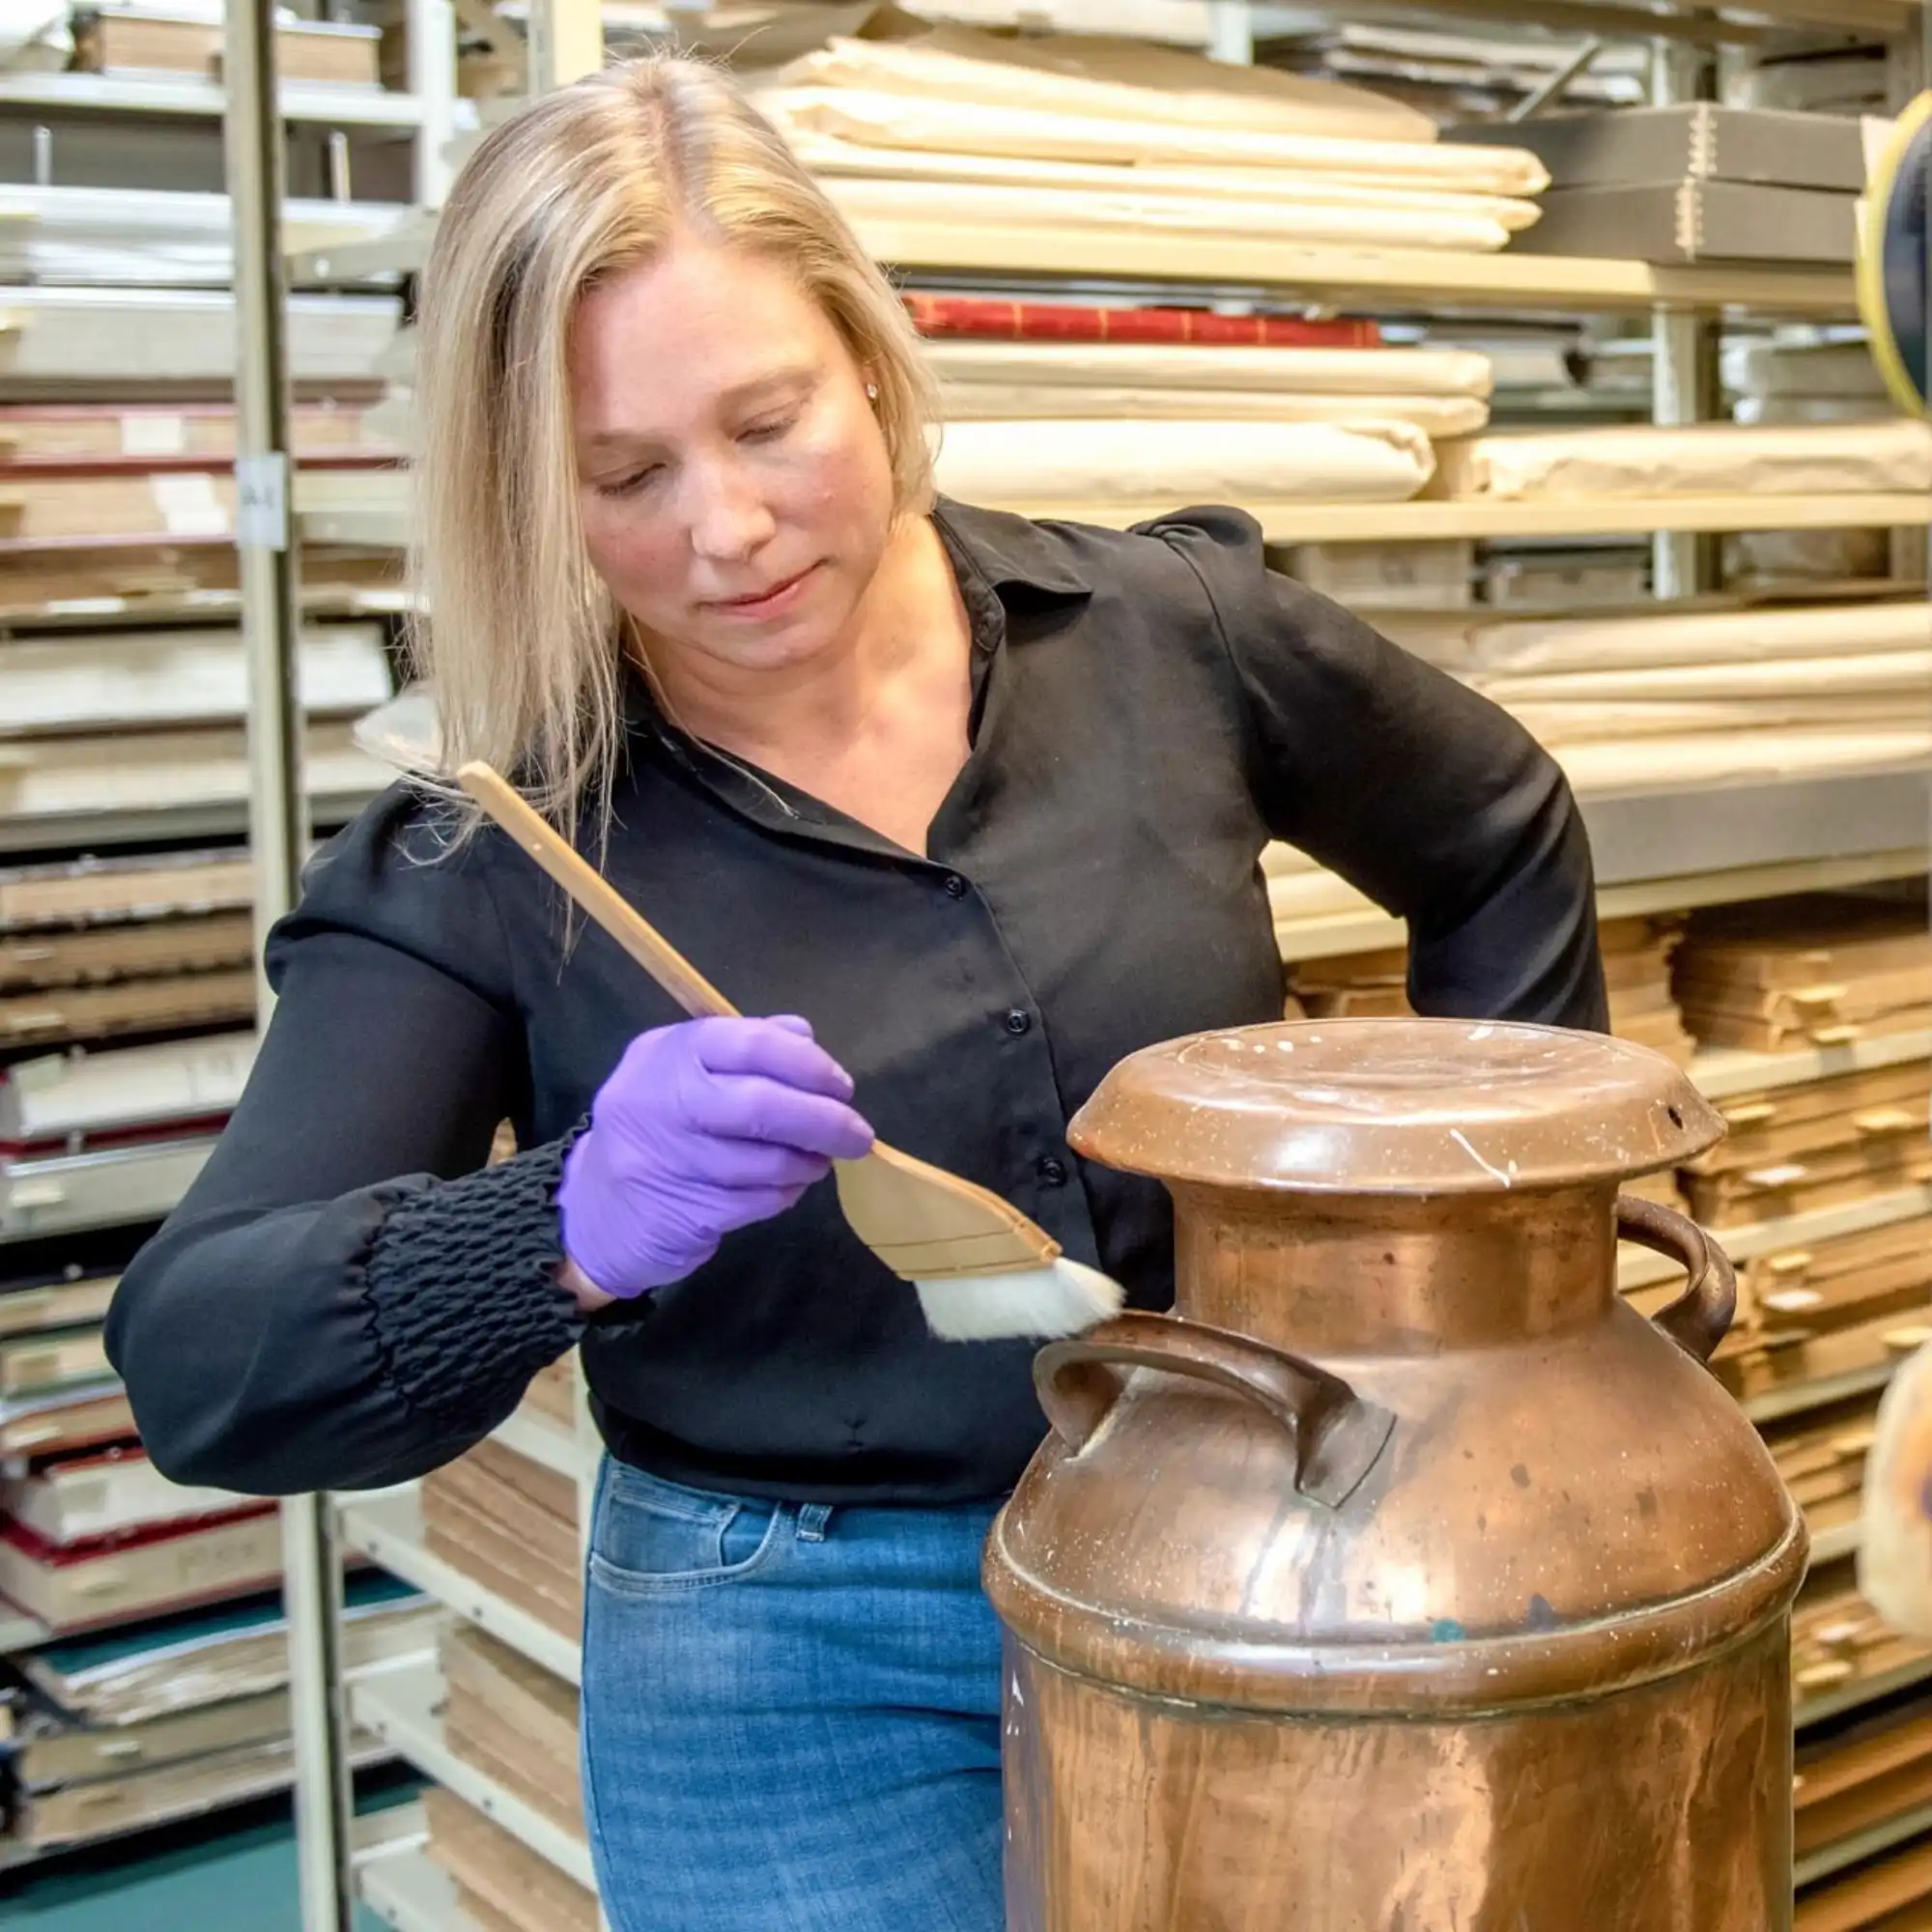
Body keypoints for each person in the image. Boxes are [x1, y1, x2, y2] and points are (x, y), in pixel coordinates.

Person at [106, 52, 1608, 1932]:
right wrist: (554, 1226)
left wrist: (1518, 1282)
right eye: (625, 476)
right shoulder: (494, 851)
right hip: (794, 1640)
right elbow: (200, 1363)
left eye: (767, 421)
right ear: (523, 493)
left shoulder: (1160, 638)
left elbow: (1493, 830)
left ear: (871, 350)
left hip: (1261, 1532)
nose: (724, 530)